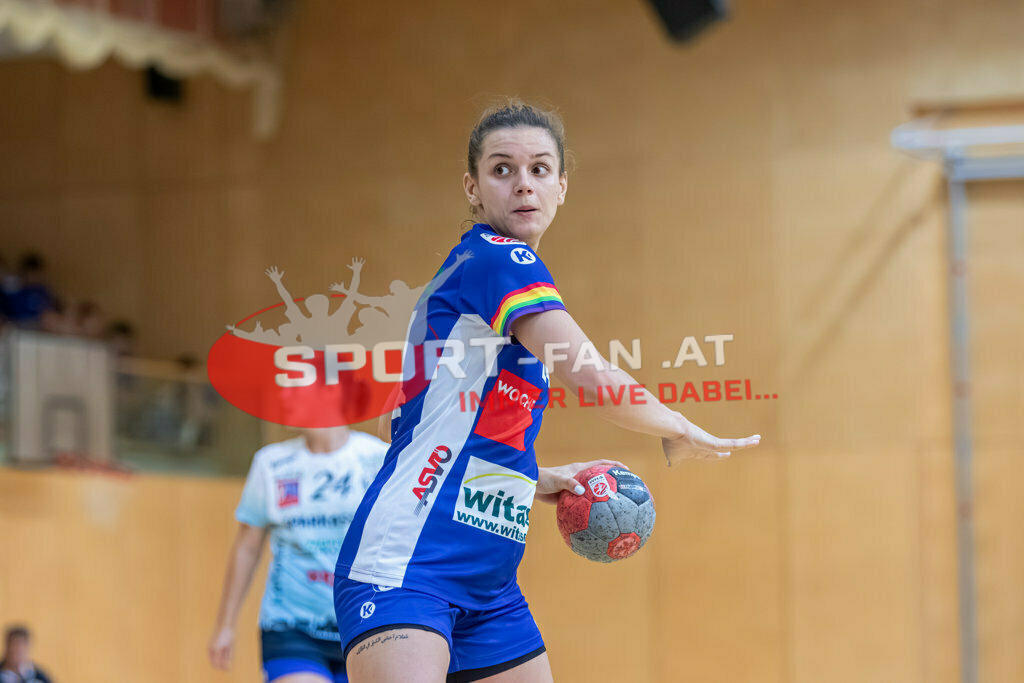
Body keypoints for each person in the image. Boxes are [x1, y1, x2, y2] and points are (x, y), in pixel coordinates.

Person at [332, 101, 761, 682]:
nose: (523, 186)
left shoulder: (475, 273)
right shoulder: (499, 260)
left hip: (490, 586)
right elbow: (591, 375)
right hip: (406, 569)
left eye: (539, 170)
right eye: (502, 170)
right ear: (473, 187)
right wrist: (680, 427)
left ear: (562, 186)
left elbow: (411, 430)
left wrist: (535, 477)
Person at [209, 426, 389, 683]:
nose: (287, 397)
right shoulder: (272, 463)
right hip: (292, 627)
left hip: (367, 623)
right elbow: (247, 546)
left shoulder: (378, 457)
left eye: (298, 386)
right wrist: (225, 625)